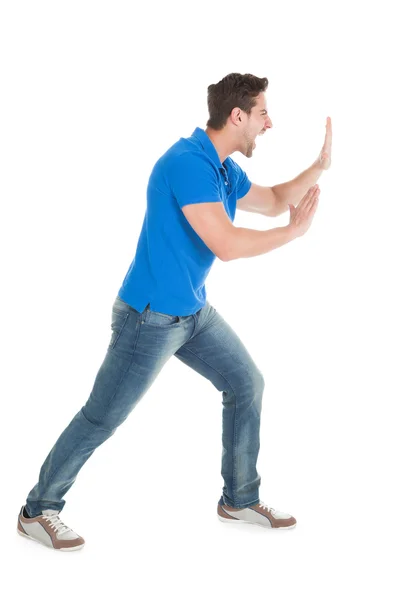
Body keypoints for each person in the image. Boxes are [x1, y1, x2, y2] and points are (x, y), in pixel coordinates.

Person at [17, 72, 332, 551]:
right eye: (263, 113)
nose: (269, 123)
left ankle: (239, 499)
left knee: (246, 383)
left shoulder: (223, 168)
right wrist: (293, 234)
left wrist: (318, 167)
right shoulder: (187, 163)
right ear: (238, 115)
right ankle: (38, 510)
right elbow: (225, 244)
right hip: (149, 318)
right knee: (102, 417)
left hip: (192, 312)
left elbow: (269, 203)